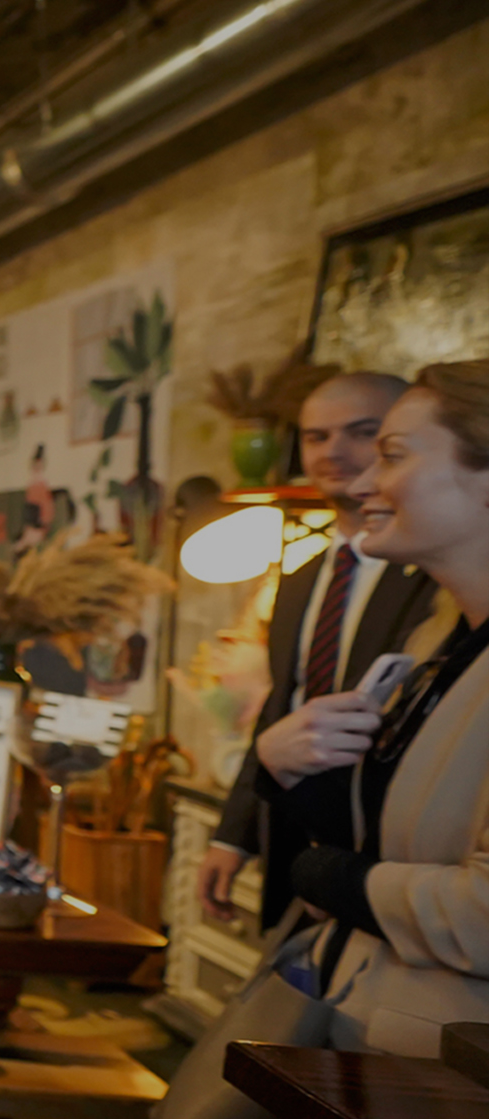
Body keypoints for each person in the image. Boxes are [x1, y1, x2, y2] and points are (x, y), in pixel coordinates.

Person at [243, 359, 489, 1056]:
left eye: (392, 453)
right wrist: (283, 767)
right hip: (361, 1025)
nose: (359, 484)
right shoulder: (439, 638)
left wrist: (340, 880)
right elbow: (393, 828)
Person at [198, 372, 435, 928]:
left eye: (362, 432)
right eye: (316, 437)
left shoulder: (434, 577)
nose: (335, 451)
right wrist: (233, 837)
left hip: (384, 860)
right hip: (294, 841)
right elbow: (283, 707)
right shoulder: (301, 577)